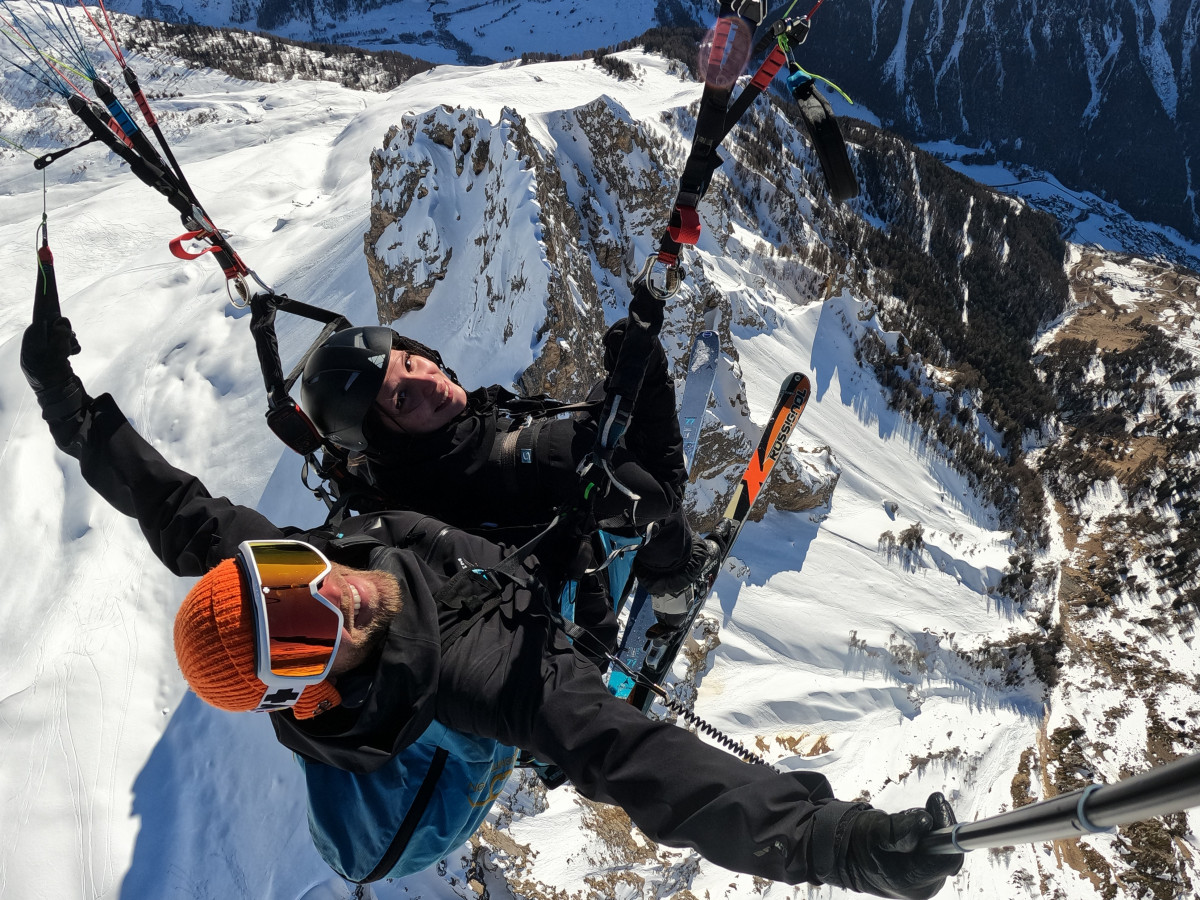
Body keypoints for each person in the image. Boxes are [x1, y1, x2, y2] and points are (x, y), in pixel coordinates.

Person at [22, 257, 964, 899]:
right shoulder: (485, 674)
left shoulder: (322, 570)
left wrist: (68, 409)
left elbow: (180, 515)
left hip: (475, 562)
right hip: (519, 654)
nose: (333, 598)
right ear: (308, 693)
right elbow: (643, 769)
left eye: (293, 579)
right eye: (310, 635)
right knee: (624, 567)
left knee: (610, 502)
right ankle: (638, 618)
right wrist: (834, 844)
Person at [296, 281, 724, 642]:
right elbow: (664, 496)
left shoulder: (393, 479)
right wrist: (649, 375)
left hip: (536, 588)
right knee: (646, 491)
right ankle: (675, 589)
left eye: (409, 361)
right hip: (580, 623)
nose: (428, 379)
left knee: (603, 404)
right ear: (386, 438)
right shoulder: (546, 455)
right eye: (402, 397)